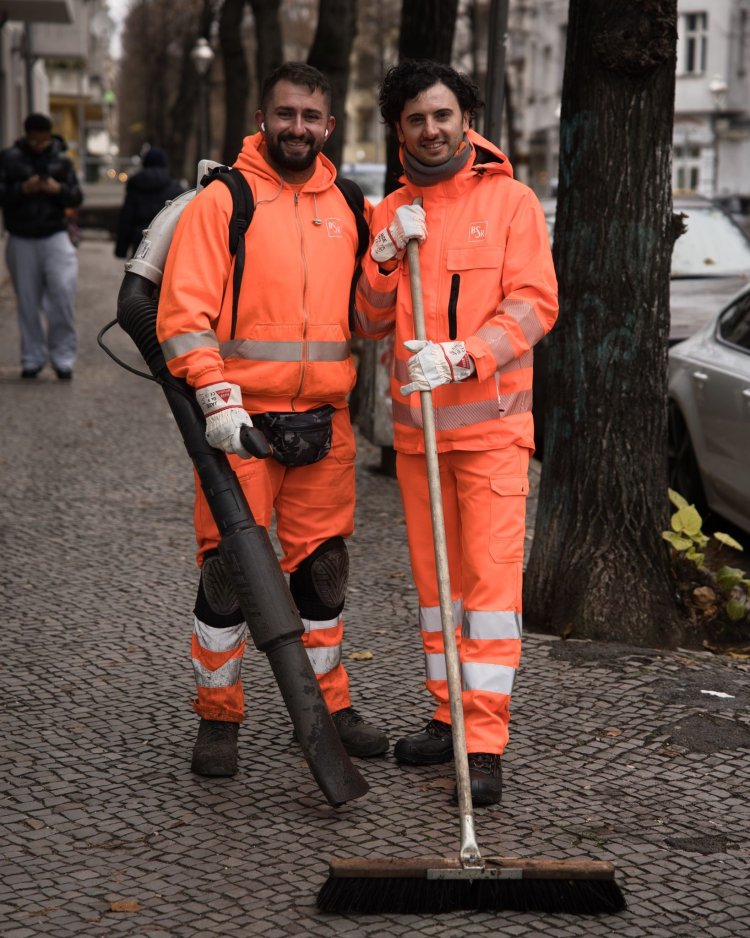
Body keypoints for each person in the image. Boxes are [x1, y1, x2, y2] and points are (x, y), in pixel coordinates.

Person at [157, 62, 389, 778]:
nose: (298, 128)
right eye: (285, 114)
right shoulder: (224, 200)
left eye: (311, 117)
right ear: (265, 118)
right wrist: (216, 399)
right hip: (239, 424)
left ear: (330, 125)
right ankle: (218, 716)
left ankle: (327, 707)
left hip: (326, 420)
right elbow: (180, 315)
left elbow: (368, 322)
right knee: (229, 572)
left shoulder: (350, 204)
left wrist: (384, 259)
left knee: (323, 572)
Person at [354, 60, 558, 805]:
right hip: (419, 438)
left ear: (465, 117)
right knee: (439, 594)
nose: (431, 129)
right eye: (416, 118)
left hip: (495, 435)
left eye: (442, 115)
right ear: (399, 128)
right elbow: (369, 322)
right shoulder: (392, 211)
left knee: (491, 596)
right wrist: (381, 262)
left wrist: (461, 355)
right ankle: (446, 721)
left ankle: (485, 742)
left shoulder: (512, 203)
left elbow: (536, 306)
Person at [0, 113, 82, 380]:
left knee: (62, 293)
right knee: (27, 300)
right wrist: (24, 188)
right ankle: (32, 358)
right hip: (21, 235)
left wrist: (57, 190)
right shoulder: (9, 158)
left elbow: (76, 196)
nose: (38, 145)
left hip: (54, 233)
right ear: (26, 135)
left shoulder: (62, 160)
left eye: (42, 140)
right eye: (34, 140)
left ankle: (63, 358)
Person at [114, 147, 184, 259]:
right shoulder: (175, 188)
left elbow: (127, 217)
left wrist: (121, 249)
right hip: (166, 244)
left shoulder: (136, 185)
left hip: (140, 243)